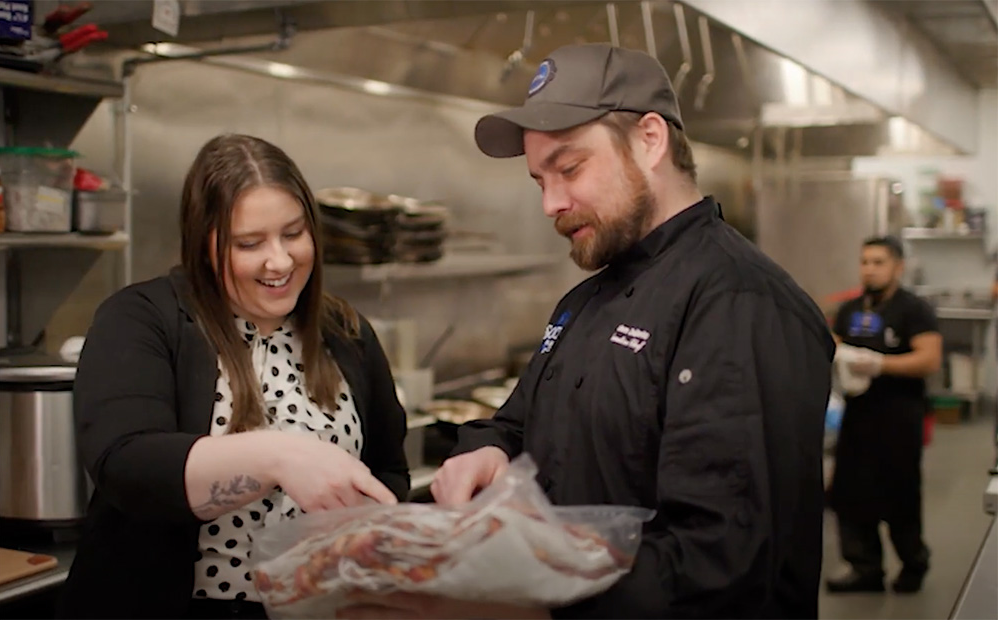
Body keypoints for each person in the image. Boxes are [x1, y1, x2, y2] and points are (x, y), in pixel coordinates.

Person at [340, 43, 835, 620]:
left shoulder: (740, 304)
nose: (551, 202)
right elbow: (516, 424)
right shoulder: (584, 302)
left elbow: (725, 565)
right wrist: (485, 452)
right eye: (538, 180)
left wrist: (523, 598)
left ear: (650, 139)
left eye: (570, 168)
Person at [58, 134, 410, 619]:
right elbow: (127, 464)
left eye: (293, 234)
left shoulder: (345, 331)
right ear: (205, 244)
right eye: (250, 243)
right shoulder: (143, 318)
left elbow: (388, 469)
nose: (280, 261)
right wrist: (280, 457)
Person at [826, 236, 942, 594]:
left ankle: (913, 563)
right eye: (864, 262)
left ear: (897, 267)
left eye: (878, 262)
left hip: (899, 418)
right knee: (850, 494)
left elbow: (929, 359)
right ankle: (865, 568)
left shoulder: (913, 309)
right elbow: (832, 343)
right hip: (858, 418)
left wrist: (879, 364)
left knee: (900, 495)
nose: (869, 269)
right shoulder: (850, 311)